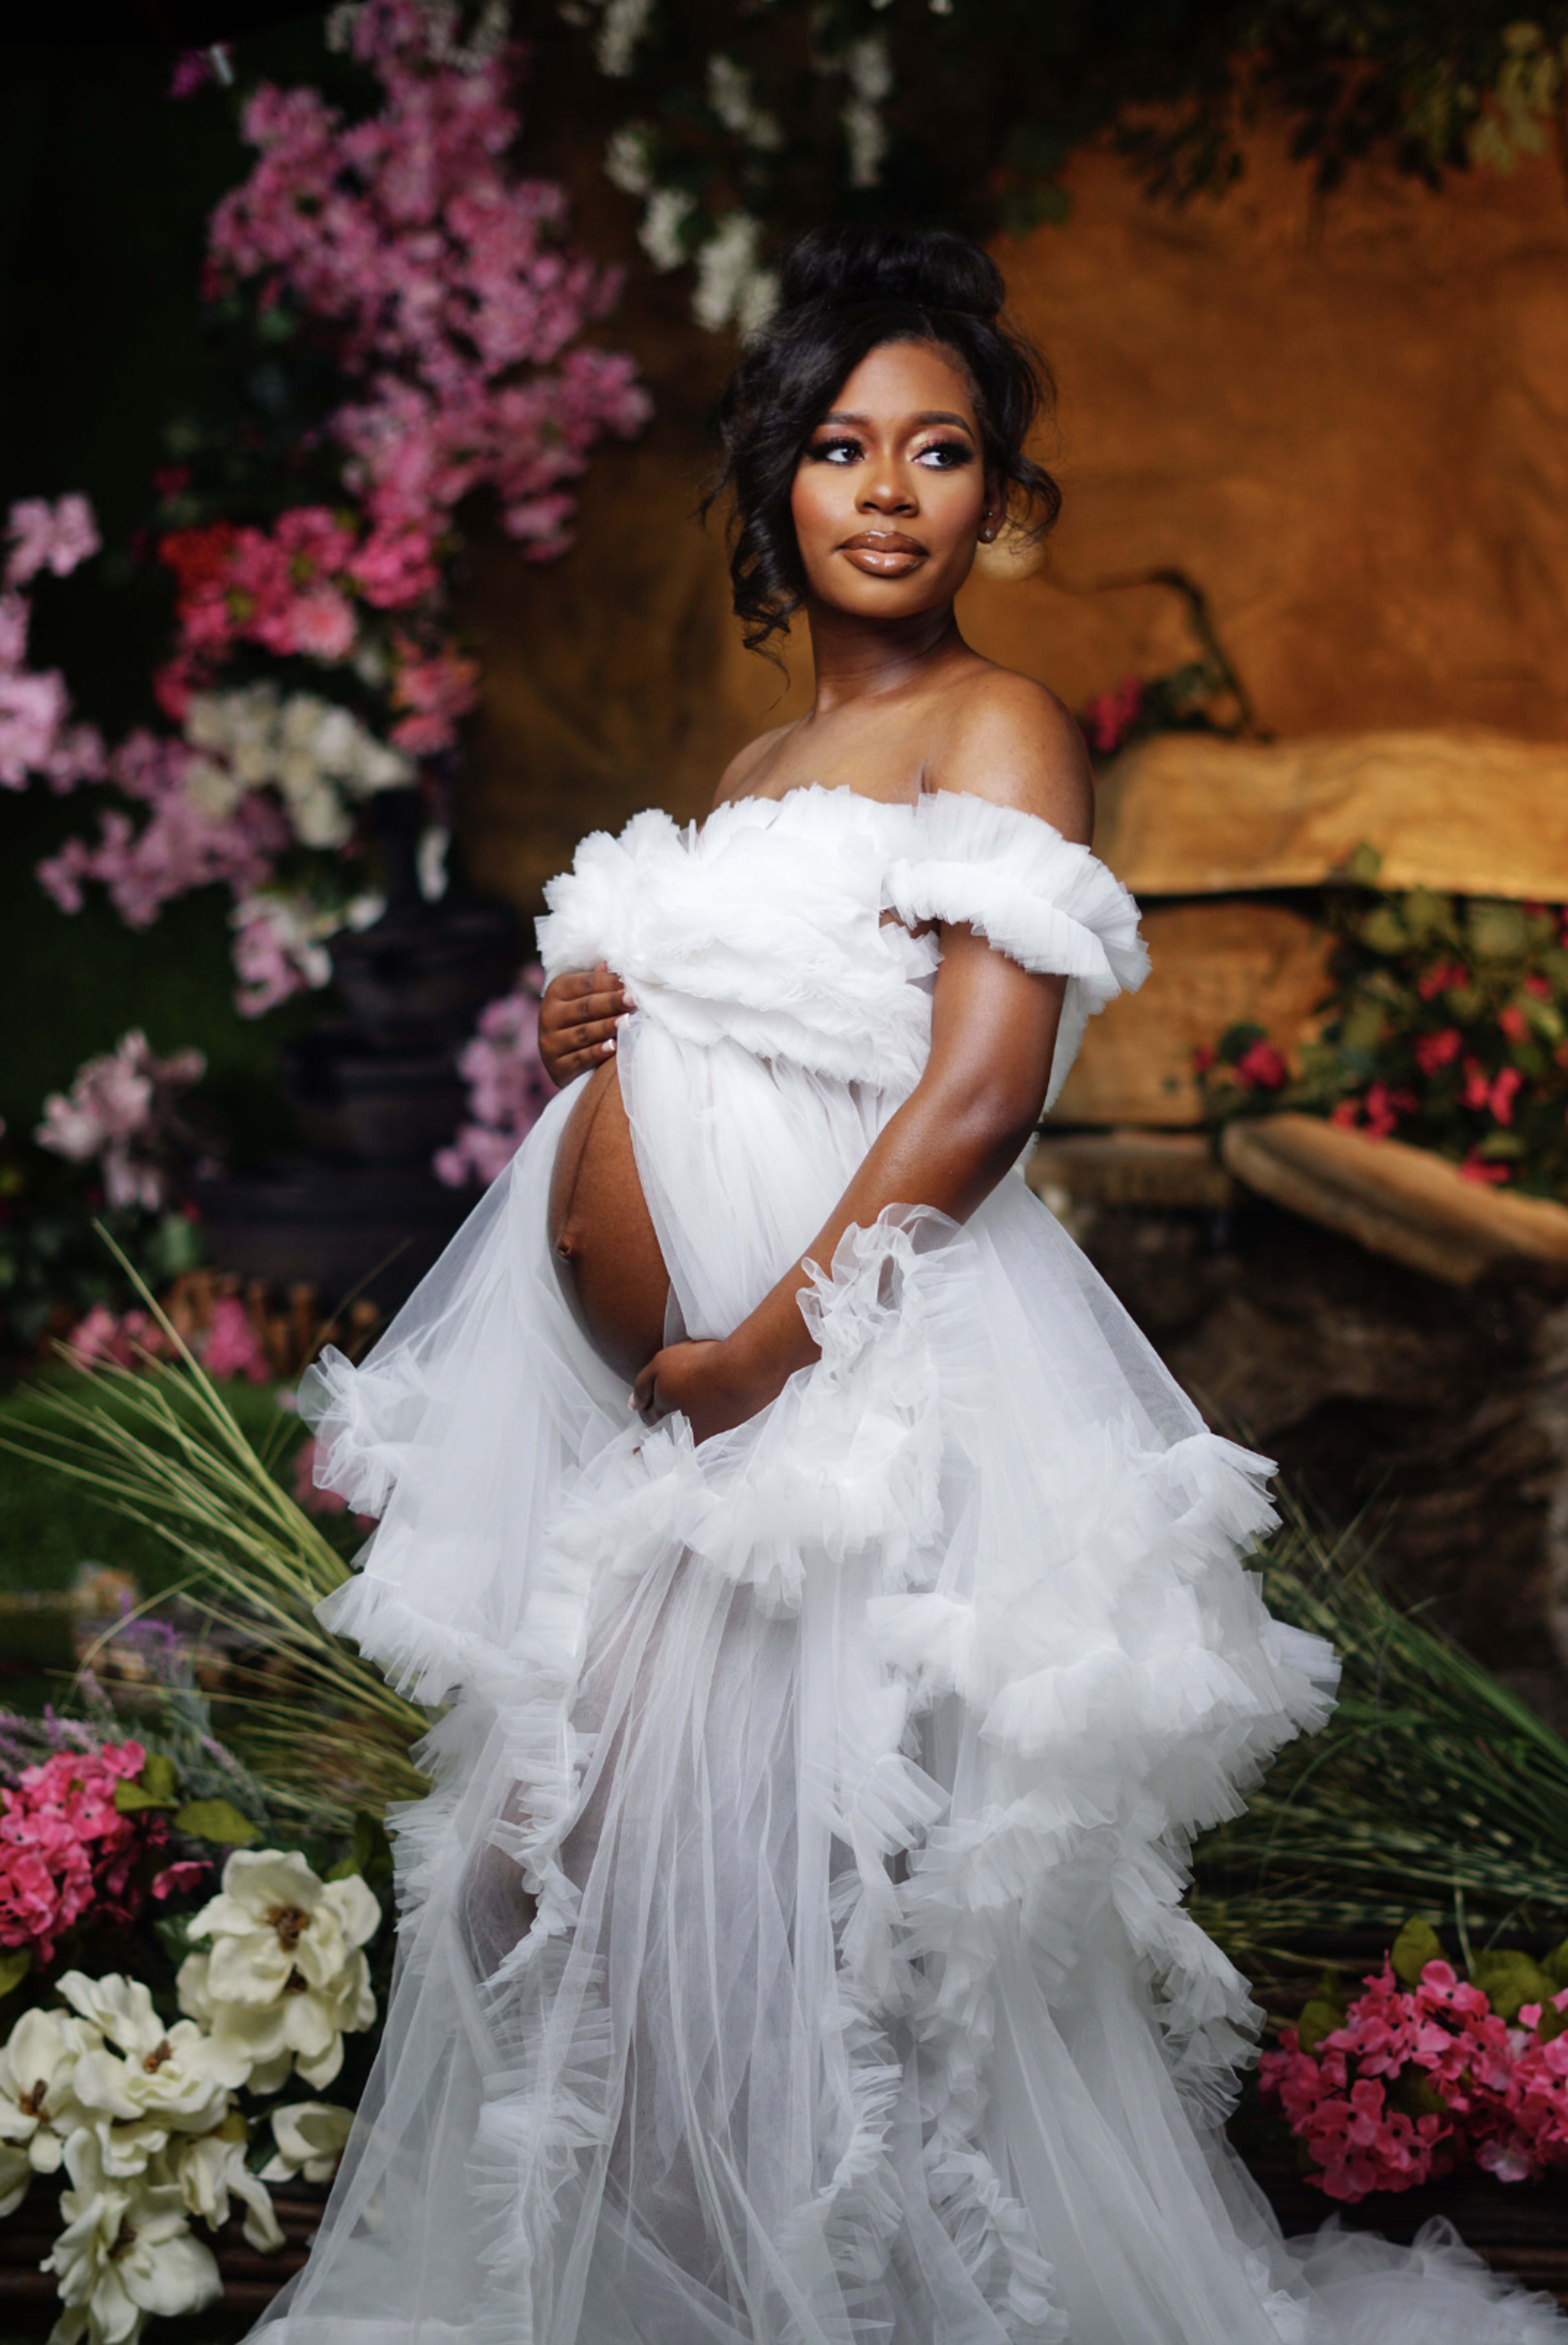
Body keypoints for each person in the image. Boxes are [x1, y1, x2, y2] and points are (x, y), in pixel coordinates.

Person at [258, 227, 1564, 2343]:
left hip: (854, 1382)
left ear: (1000, 503)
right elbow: (755, 1037)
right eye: (844, 447)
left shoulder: (1005, 723)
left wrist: (761, 1349)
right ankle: (688, 2285)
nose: (887, 488)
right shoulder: (769, 770)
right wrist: (597, 1050)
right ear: (779, 488)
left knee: (761, 1873)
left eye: (939, 450)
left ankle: (818, 2297)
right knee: (549, 1856)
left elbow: (977, 1094)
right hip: (697, 1393)